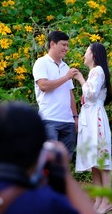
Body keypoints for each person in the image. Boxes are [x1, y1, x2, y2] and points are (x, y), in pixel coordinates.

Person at [73, 43, 112, 214]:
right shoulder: (94, 72)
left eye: (86, 52)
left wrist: (81, 79)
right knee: (95, 162)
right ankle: (99, 199)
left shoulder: (97, 71)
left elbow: (91, 94)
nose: (84, 55)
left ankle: (107, 200)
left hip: (95, 118)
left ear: (94, 55)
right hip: (89, 118)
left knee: (102, 160)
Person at [32, 30, 80, 158]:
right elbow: (43, 86)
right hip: (49, 120)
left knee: (65, 160)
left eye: (67, 45)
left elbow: (70, 94)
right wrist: (66, 77)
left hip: (68, 121)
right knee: (49, 159)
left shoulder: (65, 66)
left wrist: (75, 117)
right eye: (63, 45)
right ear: (53, 44)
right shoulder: (41, 63)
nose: (66, 49)